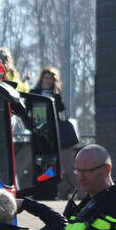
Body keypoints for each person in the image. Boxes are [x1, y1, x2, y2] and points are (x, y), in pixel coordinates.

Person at [32, 67, 80, 198]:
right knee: (39, 162)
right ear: (41, 78)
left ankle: (54, 189)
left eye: (51, 79)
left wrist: (56, 95)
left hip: (54, 134)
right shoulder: (34, 93)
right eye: (46, 78)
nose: (48, 81)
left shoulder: (56, 95)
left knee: (56, 163)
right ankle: (41, 188)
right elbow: (28, 110)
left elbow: (61, 113)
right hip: (38, 133)